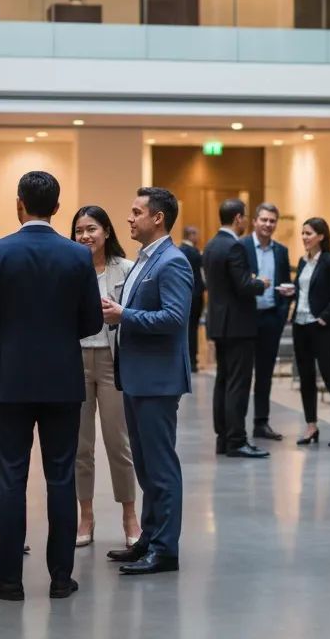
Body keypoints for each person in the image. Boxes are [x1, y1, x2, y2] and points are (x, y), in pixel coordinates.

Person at [0, 171, 103, 601]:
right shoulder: (77, 256)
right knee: (61, 476)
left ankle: (9, 578)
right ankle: (61, 579)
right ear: (58, 208)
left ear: (19, 204)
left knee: (10, 476)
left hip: (8, 379)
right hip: (63, 378)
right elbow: (92, 322)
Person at [102, 187, 194, 576]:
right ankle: (149, 537)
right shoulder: (143, 259)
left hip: (157, 380)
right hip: (138, 377)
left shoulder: (172, 262)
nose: (129, 218)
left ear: (157, 218)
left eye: (136, 211)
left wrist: (124, 315)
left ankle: (165, 549)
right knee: (144, 464)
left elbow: (175, 319)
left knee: (160, 466)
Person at [71, 206, 137, 548]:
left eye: (92, 228)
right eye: (79, 230)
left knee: (118, 442)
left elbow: (134, 314)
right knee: (80, 446)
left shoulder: (126, 269)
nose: (85, 236)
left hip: (112, 360)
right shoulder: (69, 268)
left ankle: (129, 515)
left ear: (107, 232)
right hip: (76, 360)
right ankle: (86, 515)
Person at [203, 198, 268, 459]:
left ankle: (223, 437)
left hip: (219, 323)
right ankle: (237, 440)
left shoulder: (210, 245)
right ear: (239, 218)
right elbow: (243, 286)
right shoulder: (235, 246)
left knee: (223, 381)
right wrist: (260, 282)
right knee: (238, 385)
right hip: (239, 326)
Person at [292, 217, 330, 447]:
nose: (304, 238)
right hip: (300, 324)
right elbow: (303, 292)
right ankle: (311, 425)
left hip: (321, 327)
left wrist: (323, 319)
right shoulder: (302, 261)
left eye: (308, 233)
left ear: (321, 236)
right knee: (306, 378)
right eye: (303, 233)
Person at [241, 203, 294, 442]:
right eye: (264, 220)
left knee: (264, 375)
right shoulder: (241, 247)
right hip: (247, 319)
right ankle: (237, 427)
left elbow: (285, 283)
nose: (268, 225)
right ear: (254, 221)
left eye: (272, 221)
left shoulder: (281, 251)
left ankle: (261, 423)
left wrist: (281, 314)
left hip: (271, 318)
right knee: (241, 374)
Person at [180, 226, 206, 372]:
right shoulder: (195, 252)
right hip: (195, 296)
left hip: (183, 295)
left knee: (185, 328)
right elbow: (202, 275)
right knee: (193, 329)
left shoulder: (178, 250)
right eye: (197, 234)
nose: (198, 237)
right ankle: (193, 360)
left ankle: (185, 360)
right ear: (191, 235)